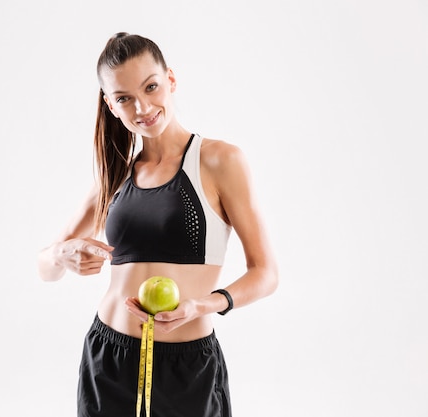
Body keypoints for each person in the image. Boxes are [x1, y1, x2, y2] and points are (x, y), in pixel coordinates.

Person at [37, 32, 278, 417]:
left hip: (186, 368)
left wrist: (204, 304)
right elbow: (46, 270)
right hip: (108, 360)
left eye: (151, 87)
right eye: (124, 98)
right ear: (110, 105)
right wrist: (60, 253)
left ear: (171, 79)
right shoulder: (114, 174)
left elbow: (265, 273)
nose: (142, 107)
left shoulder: (219, 161)